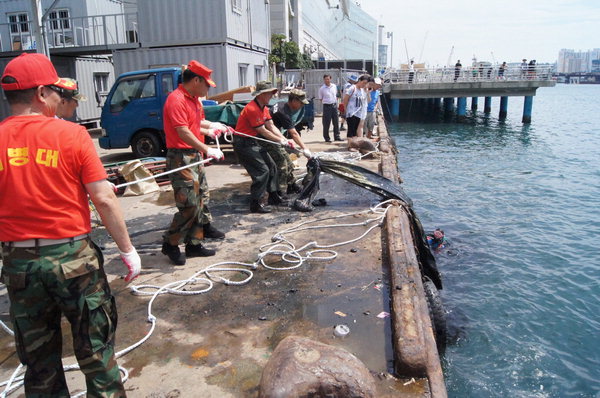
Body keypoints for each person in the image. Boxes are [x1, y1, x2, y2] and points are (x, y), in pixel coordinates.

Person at [0, 52, 141, 397]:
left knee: (39, 362)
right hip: (72, 260)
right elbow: (104, 198)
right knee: (95, 351)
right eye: (54, 92)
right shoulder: (72, 135)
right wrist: (127, 250)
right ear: (41, 94)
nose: (58, 99)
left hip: (20, 265)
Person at [161, 60, 226, 265]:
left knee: (200, 199)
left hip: (194, 155)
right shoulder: (176, 99)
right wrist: (206, 148)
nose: (208, 89)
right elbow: (183, 131)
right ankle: (170, 243)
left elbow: (195, 124)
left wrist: (213, 127)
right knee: (188, 204)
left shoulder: (194, 100)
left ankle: (194, 244)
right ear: (196, 80)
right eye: (207, 84)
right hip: (180, 156)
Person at [233, 81, 294, 213]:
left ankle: (273, 196)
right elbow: (263, 131)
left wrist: (284, 139)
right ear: (261, 95)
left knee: (272, 166)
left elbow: (271, 126)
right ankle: (255, 203)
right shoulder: (252, 109)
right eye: (269, 94)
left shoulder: (264, 108)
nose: (271, 96)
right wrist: (279, 140)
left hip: (253, 142)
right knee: (262, 171)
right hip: (243, 143)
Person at [270, 88, 313, 194]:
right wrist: (305, 148)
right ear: (294, 101)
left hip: (275, 136)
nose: (302, 106)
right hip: (267, 138)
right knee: (283, 165)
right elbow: (293, 133)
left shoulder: (282, 104)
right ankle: (278, 192)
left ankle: (292, 185)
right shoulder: (284, 112)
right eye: (301, 103)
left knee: (289, 162)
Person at [342, 74, 369, 138]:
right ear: (359, 81)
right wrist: (345, 110)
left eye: (366, 84)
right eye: (363, 83)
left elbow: (365, 101)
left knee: (355, 130)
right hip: (351, 112)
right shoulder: (352, 88)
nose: (364, 85)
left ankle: (354, 144)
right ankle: (350, 145)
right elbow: (345, 99)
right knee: (351, 130)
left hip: (358, 113)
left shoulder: (362, 90)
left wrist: (367, 91)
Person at [317, 74, 341, 142]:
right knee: (326, 123)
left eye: (328, 79)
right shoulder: (322, 88)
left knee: (336, 122)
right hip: (327, 107)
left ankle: (337, 136)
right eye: (325, 79)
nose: (327, 80)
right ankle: (327, 138)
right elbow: (321, 99)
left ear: (330, 79)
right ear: (324, 80)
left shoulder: (334, 86)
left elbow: (336, 95)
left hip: (334, 106)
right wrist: (327, 103)